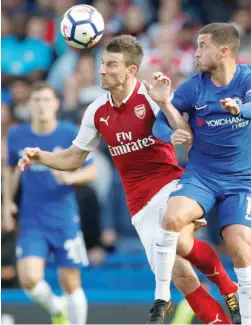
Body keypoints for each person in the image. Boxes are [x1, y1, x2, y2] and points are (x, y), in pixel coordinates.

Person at [17, 35, 239, 325]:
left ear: (130, 70)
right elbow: (73, 158)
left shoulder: (150, 96)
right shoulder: (96, 111)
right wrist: (41, 157)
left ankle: (229, 288)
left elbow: (184, 132)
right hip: (139, 204)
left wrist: (167, 104)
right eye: (102, 63)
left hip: (171, 185)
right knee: (182, 277)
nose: (102, 70)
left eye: (110, 64)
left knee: (182, 243)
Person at [146, 23, 251, 325]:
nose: (196, 53)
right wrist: (168, 135)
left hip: (241, 181)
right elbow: (159, 123)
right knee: (172, 219)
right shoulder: (193, 86)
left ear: (224, 50)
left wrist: (238, 109)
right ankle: (162, 299)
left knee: (241, 251)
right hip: (202, 176)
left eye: (203, 46)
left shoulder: (250, 78)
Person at [3, 82, 97, 324]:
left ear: (56, 104)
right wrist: (6, 205)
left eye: (46, 100)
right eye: (36, 100)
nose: (41, 106)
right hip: (32, 219)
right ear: (29, 105)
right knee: (29, 278)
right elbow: (11, 169)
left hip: (65, 218)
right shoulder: (17, 135)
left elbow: (92, 171)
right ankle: (56, 308)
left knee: (71, 282)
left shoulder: (68, 133)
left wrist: (71, 176)